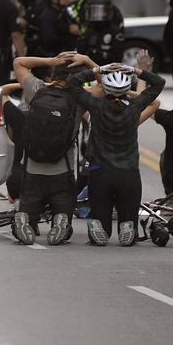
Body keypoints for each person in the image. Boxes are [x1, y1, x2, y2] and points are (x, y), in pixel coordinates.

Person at [67, 56, 165, 246]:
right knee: (128, 212)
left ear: (106, 89)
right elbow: (159, 83)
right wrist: (134, 70)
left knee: (100, 211)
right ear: (126, 88)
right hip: (128, 172)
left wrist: (99, 70)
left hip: (100, 171)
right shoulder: (135, 108)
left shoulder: (96, 106)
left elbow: (72, 83)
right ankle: (128, 227)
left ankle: (100, 228)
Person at [11, 53, 95, 245]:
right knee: (63, 207)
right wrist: (88, 61)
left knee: (29, 207)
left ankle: (24, 219)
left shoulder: (37, 90)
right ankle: (61, 222)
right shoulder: (79, 98)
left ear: (54, 73)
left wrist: (50, 61)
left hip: (33, 167)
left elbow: (19, 62)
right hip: (62, 169)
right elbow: (108, 86)